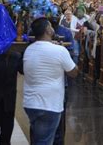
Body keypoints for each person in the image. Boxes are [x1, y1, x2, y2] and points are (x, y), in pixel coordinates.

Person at [23, 17, 78, 145]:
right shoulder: (59, 50)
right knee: (45, 141)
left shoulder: (28, 50)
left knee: (37, 138)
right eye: (50, 26)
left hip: (30, 103)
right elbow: (74, 72)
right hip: (49, 105)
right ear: (48, 30)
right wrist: (67, 55)